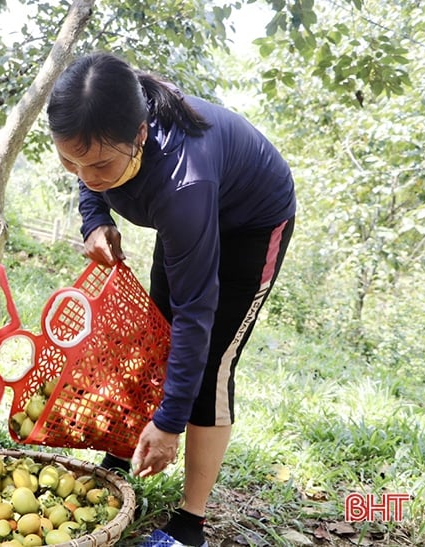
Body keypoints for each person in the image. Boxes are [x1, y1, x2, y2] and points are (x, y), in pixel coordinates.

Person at [47, 52, 296, 547]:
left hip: (251, 224)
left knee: (210, 366)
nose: (85, 173)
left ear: (140, 136)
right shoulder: (102, 129)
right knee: (150, 339)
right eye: (70, 160)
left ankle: (189, 526)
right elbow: (87, 170)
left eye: (99, 164)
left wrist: (170, 422)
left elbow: (195, 313)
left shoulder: (184, 181)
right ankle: (120, 458)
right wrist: (95, 217)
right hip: (191, 220)